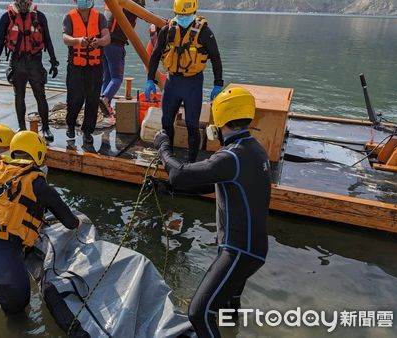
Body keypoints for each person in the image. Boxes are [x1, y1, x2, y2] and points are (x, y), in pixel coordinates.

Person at [153, 88, 270, 338]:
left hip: (238, 250)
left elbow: (180, 173)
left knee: (199, 312)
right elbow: (215, 185)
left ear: (220, 122)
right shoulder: (253, 149)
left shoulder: (231, 157)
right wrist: (170, 189)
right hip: (253, 250)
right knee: (227, 308)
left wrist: (163, 148)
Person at [0, 130, 80, 314]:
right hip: (5, 269)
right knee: (19, 321)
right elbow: (71, 222)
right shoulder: (38, 185)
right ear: (39, 155)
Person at [145, 0, 224, 162]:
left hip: (193, 84)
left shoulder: (204, 32)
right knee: (166, 121)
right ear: (175, 13)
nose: (183, 17)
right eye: (180, 14)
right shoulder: (167, 30)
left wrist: (218, 83)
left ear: (194, 13)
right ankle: (167, 156)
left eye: (186, 14)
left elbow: (215, 58)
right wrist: (150, 79)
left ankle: (192, 161)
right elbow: (155, 55)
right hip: (172, 82)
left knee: (192, 125)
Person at [0, 0, 58, 142]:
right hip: (17, 62)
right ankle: (22, 128)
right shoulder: (6, 17)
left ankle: (45, 128)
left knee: (41, 96)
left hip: (35, 61)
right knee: (19, 96)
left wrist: (53, 61)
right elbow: (0, 41)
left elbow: (48, 40)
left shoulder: (40, 17)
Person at [62, 0, 111, 144]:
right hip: (76, 66)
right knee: (75, 98)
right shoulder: (69, 16)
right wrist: (78, 41)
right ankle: (70, 125)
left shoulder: (100, 17)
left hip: (95, 66)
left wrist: (99, 42)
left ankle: (87, 131)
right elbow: (65, 38)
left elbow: (107, 38)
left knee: (92, 99)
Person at [100, 0, 146, 121]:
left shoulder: (116, 2)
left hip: (104, 42)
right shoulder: (132, 3)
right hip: (115, 44)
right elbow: (144, 14)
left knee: (107, 77)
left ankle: (104, 107)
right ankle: (104, 100)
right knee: (117, 78)